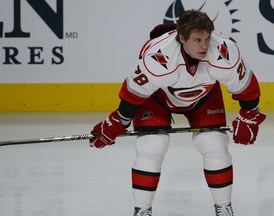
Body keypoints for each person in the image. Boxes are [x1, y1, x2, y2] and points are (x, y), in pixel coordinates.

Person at [89, 10, 266, 216]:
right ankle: (142, 210)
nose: (205, 46)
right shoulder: (159, 57)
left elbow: (247, 88)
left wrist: (250, 116)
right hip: (157, 98)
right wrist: (119, 120)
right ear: (181, 38)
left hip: (204, 96)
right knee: (151, 146)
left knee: (214, 143)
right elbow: (132, 94)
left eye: (208, 38)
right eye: (197, 40)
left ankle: (223, 206)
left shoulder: (223, 51)